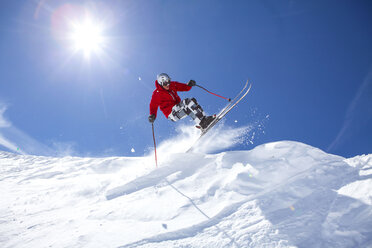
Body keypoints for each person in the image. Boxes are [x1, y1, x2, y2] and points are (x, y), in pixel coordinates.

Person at [148, 73, 216, 130]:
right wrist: (152, 115)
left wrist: (189, 85)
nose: (168, 84)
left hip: (179, 109)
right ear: (160, 83)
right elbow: (153, 105)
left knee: (192, 102)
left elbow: (183, 87)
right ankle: (203, 122)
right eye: (165, 83)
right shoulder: (157, 93)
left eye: (168, 81)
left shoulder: (172, 85)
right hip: (172, 114)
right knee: (187, 102)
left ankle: (203, 121)